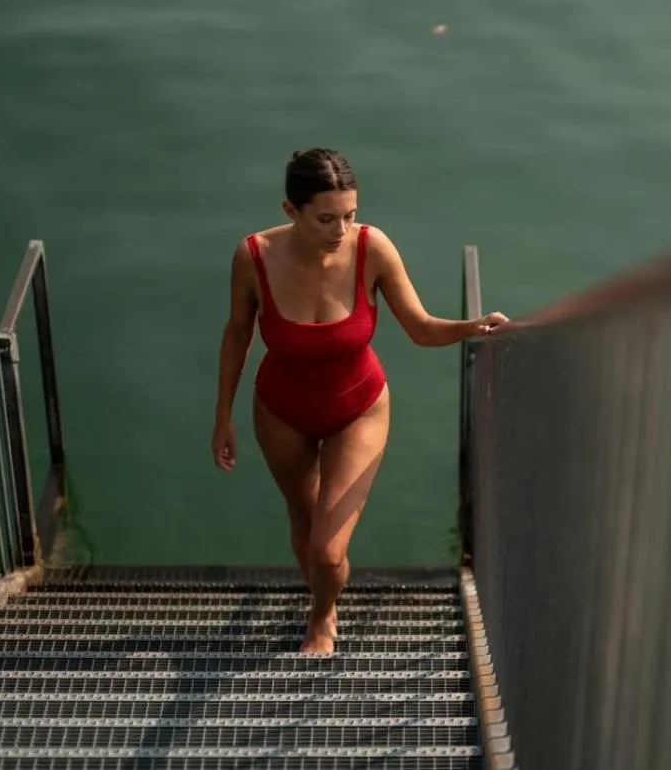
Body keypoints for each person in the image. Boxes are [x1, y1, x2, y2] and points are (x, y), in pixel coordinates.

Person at [210, 147, 508, 654]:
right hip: (281, 411)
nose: (341, 230)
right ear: (291, 210)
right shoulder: (254, 256)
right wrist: (223, 416)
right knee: (304, 524)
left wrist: (470, 328)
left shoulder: (373, 249)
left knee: (328, 552)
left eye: (350, 214)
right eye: (326, 218)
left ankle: (322, 617)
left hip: (358, 408)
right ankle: (322, 600)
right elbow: (237, 334)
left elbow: (420, 328)